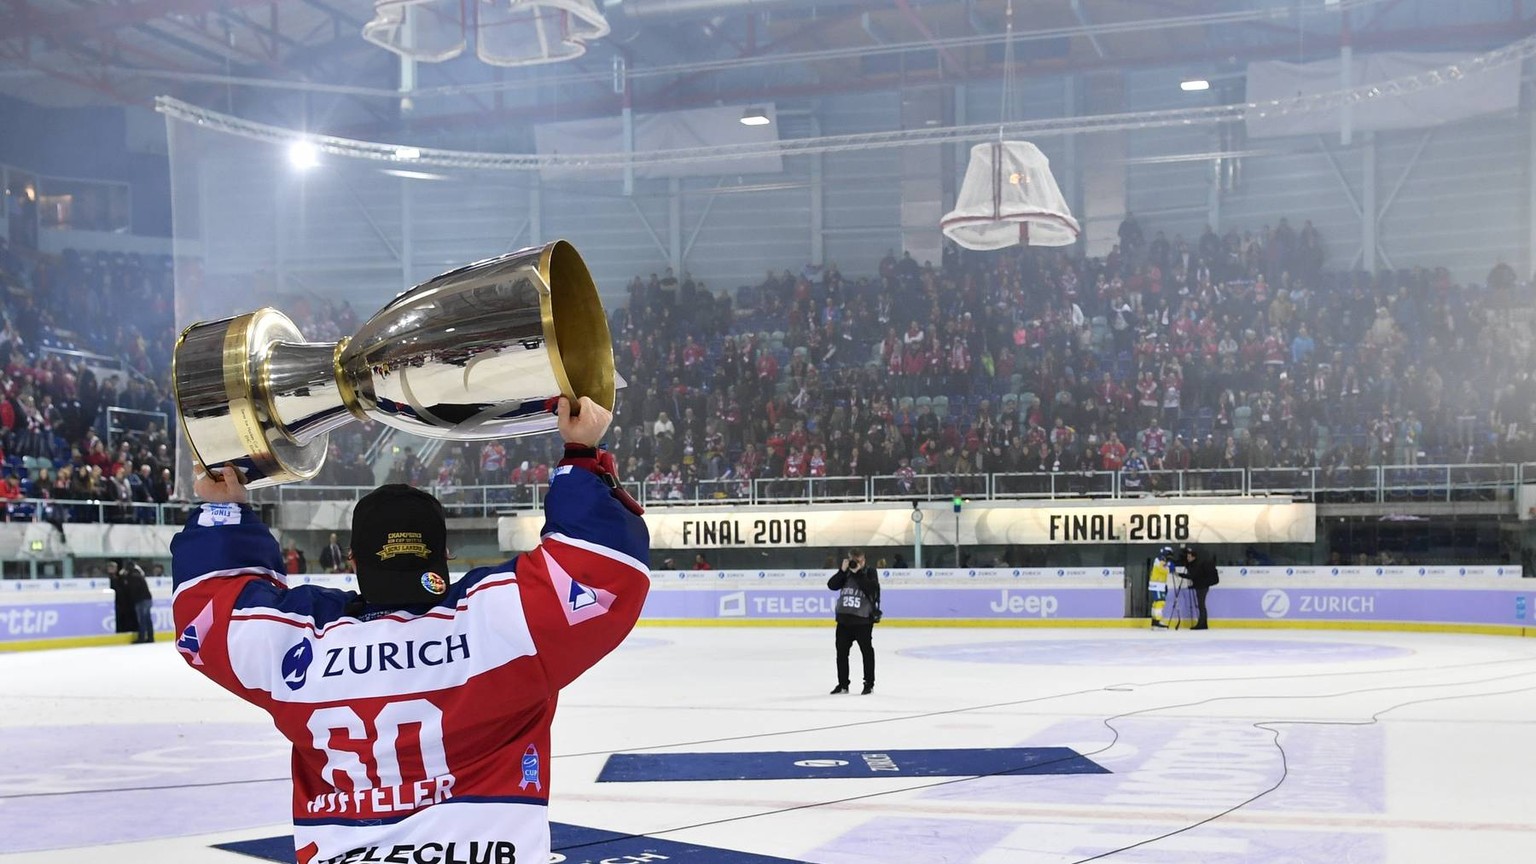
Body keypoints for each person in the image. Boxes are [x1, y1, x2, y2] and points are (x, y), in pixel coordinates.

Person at [170, 396, 649, 864]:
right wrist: (582, 455)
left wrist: (222, 511)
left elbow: (210, 614)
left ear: (353, 560)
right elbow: (600, 569)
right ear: (444, 556)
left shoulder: (298, 648)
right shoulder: (500, 626)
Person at [827, 548, 881, 695]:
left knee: (867, 652)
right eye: (854, 560)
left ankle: (869, 684)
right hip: (844, 620)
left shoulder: (869, 572)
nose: (856, 563)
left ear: (864, 560)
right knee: (841, 653)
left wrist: (858, 573)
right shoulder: (846, 573)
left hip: (863, 620)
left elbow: (872, 589)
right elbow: (832, 585)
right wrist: (842, 571)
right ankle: (843, 684)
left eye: (859, 561)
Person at [1181, 545, 1219, 630]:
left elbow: (1193, 576)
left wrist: (1180, 575)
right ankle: (1203, 624)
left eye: (1189, 556)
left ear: (1193, 557)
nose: (1187, 558)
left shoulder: (1196, 565)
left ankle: (1201, 624)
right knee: (1201, 605)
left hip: (1202, 587)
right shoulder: (1194, 564)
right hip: (1201, 586)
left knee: (1201, 605)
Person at [120, 559, 154, 643]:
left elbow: (132, 589)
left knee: (142, 619)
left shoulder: (132, 576)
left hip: (141, 600)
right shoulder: (139, 574)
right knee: (147, 619)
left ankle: (142, 638)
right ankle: (150, 637)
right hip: (147, 599)